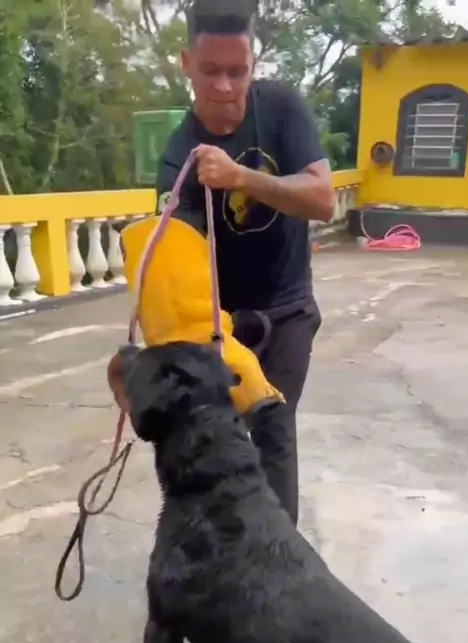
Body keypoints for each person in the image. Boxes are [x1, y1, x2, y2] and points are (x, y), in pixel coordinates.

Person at [156, 2, 336, 527]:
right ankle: (224, 553)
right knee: (217, 441)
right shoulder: (179, 156)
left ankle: (279, 562)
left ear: (253, 65)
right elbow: (178, 265)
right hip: (222, 324)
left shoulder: (281, 108)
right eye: (211, 71)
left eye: (238, 72)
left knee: (274, 429)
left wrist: (242, 178)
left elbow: (323, 199)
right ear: (187, 64)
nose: (225, 87)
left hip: (287, 305)